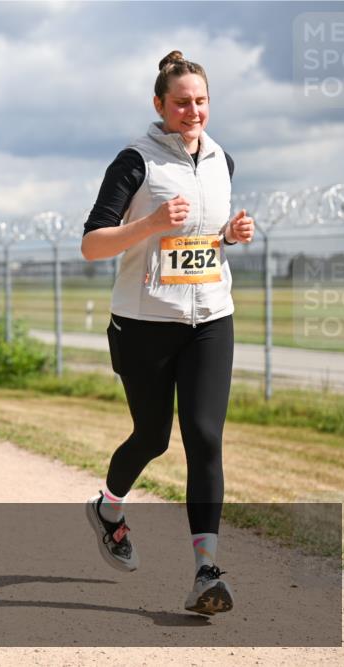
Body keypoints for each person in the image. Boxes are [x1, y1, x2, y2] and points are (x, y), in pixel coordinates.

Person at [80, 51, 254, 616]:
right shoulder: (136, 162)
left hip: (210, 319)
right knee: (153, 437)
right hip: (144, 325)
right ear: (159, 104)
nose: (193, 110)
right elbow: (92, 244)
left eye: (201, 100)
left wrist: (228, 236)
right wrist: (151, 224)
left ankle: (207, 571)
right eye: (181, 101)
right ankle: (108, 508)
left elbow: (200, 240)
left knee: (204, 437)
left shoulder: (222, 159)